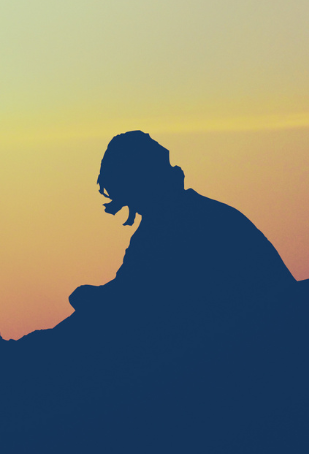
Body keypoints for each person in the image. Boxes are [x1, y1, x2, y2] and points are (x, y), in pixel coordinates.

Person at [55, 130, 294, 345]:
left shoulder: (176, 222)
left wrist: (91, 299)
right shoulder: (185, 213)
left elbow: (133, 300)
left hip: (253, 342)